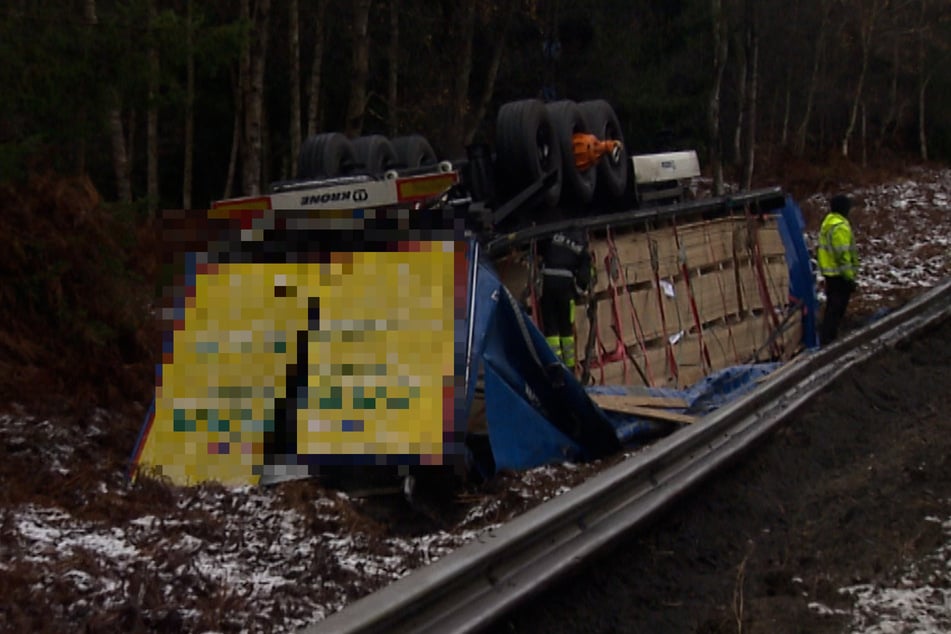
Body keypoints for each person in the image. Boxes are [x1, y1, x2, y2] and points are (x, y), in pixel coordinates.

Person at [539, 226, 592, 371]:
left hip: (547, 285)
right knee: (566, 329)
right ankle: (569, 368)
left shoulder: (553, 236)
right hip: (565, 289)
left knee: (550, 328)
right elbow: (585, 274)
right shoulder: (581, 249)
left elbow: (541, 250)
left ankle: (554, 365)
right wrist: (579, 291)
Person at [817, 194, 858, 345]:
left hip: (830, 273)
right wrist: (849, 277)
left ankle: (827, 337)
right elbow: (842, 254)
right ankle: (829, 339)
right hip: (840, 274)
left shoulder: (828, 223)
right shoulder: (840, 227)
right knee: (836, 309)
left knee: (832, 308)